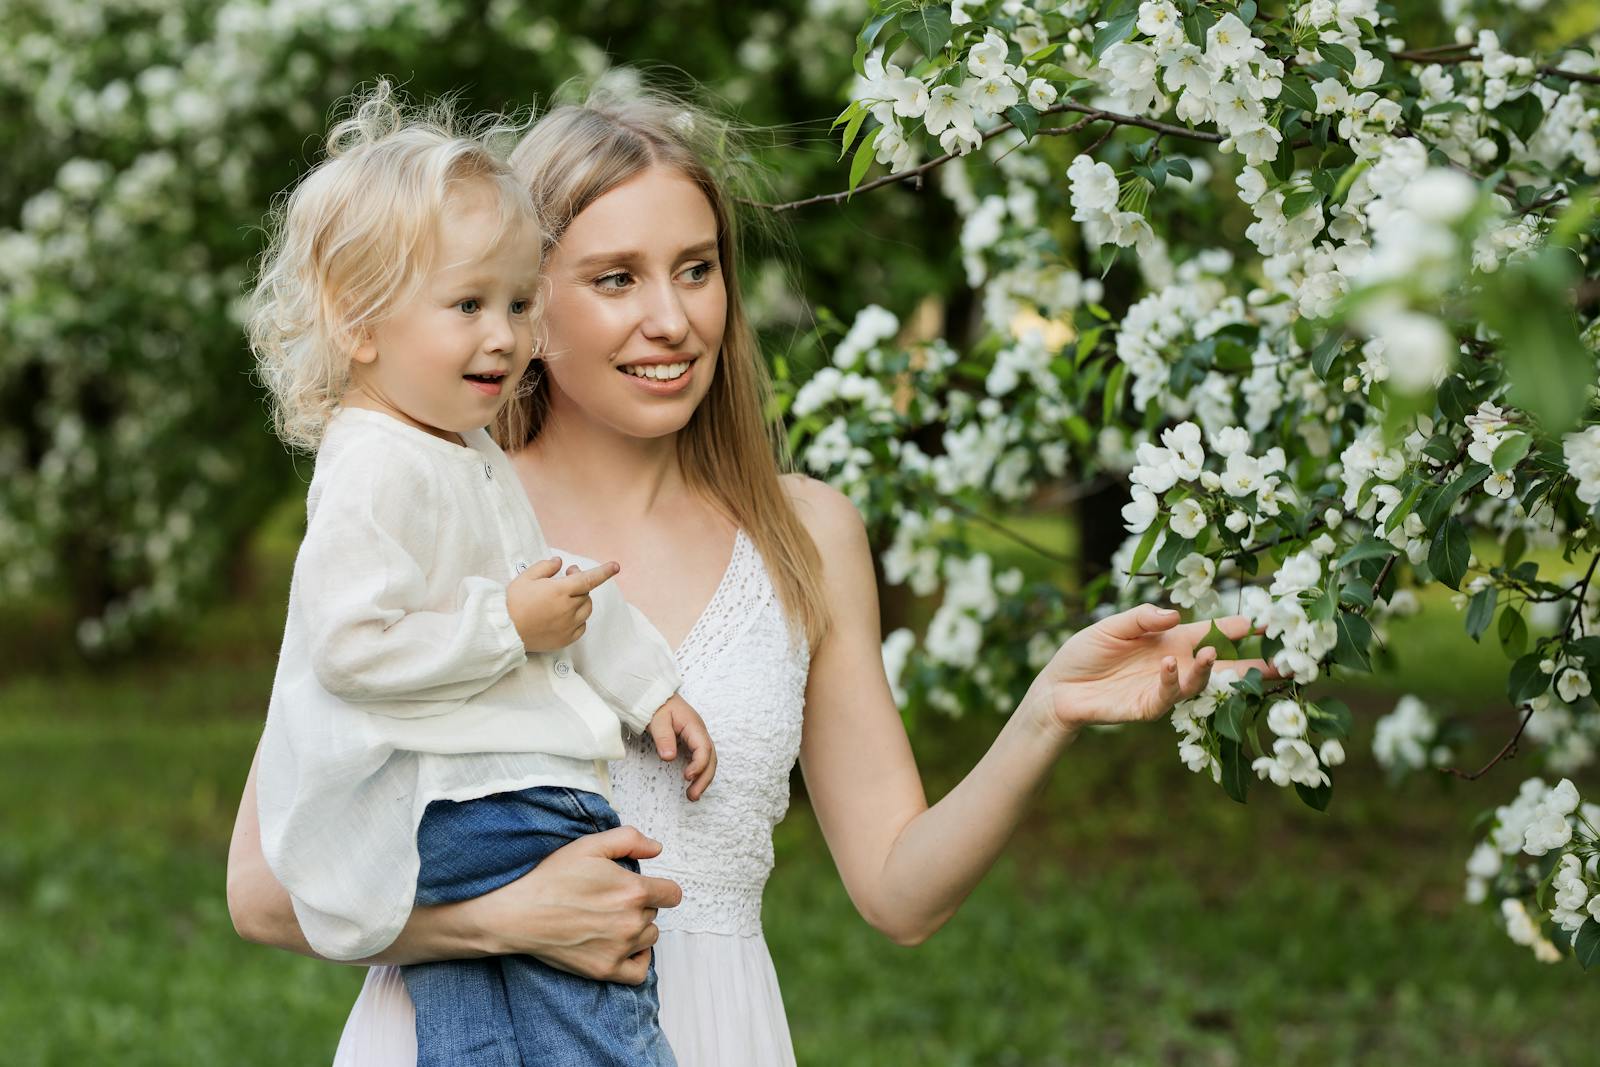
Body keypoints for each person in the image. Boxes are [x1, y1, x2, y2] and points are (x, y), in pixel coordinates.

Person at [228, 80, 1271, 1066]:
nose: (673, 319)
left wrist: (1047, 711)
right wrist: (503, 921)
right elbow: (264, 887)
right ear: (524, 300)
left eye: (696, 267)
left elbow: (901, 893)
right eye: (614, 278)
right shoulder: (428, 500)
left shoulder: (806, 533)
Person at [243, 83, 714, 1067]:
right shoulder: (376, 466)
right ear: (358, 321)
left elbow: (559, 582)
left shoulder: (453, 448)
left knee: (471, 1023)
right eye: (467, 304)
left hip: (448, 811)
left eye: (514, 302)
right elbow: (348, 646)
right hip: (468, 803)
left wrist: (645, 682)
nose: (503, 335)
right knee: (599, 974)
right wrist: (505, 623)